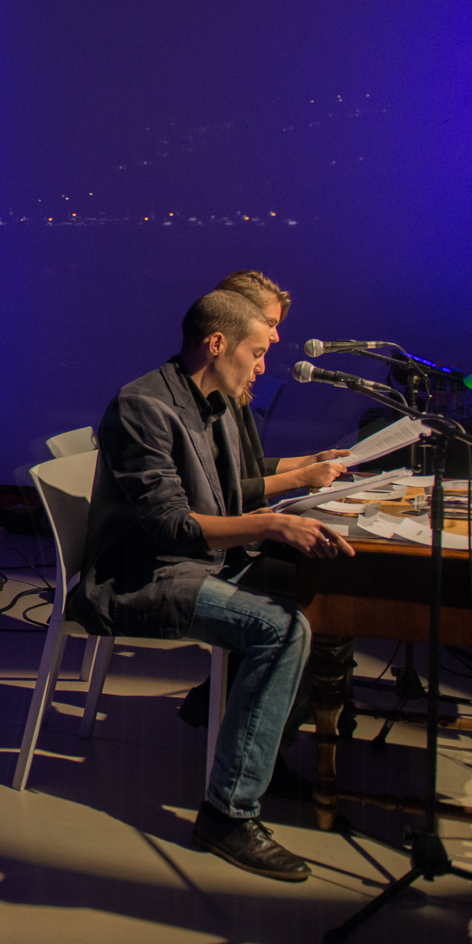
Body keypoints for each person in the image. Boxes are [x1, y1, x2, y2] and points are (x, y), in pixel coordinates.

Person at [74, 289, 354, 882]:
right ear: (218, 344)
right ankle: (228, 813)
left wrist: (292, 499)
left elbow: (231, 494)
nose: (262, 366)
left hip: (198, 563)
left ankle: (258, 748)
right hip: (143, 576)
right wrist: (273, 525)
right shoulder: (143, 406)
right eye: (256, 351)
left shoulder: (215, 403)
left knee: (338, 599)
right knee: (281, 630)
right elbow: (169, 527)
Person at [214, 270, 348, 510]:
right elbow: (218, 488)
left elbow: (248, 468)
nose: (275, 336)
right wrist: (303, 477)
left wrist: (310, 462)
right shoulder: (213, 393)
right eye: (270, 323)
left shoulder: (235, 390)